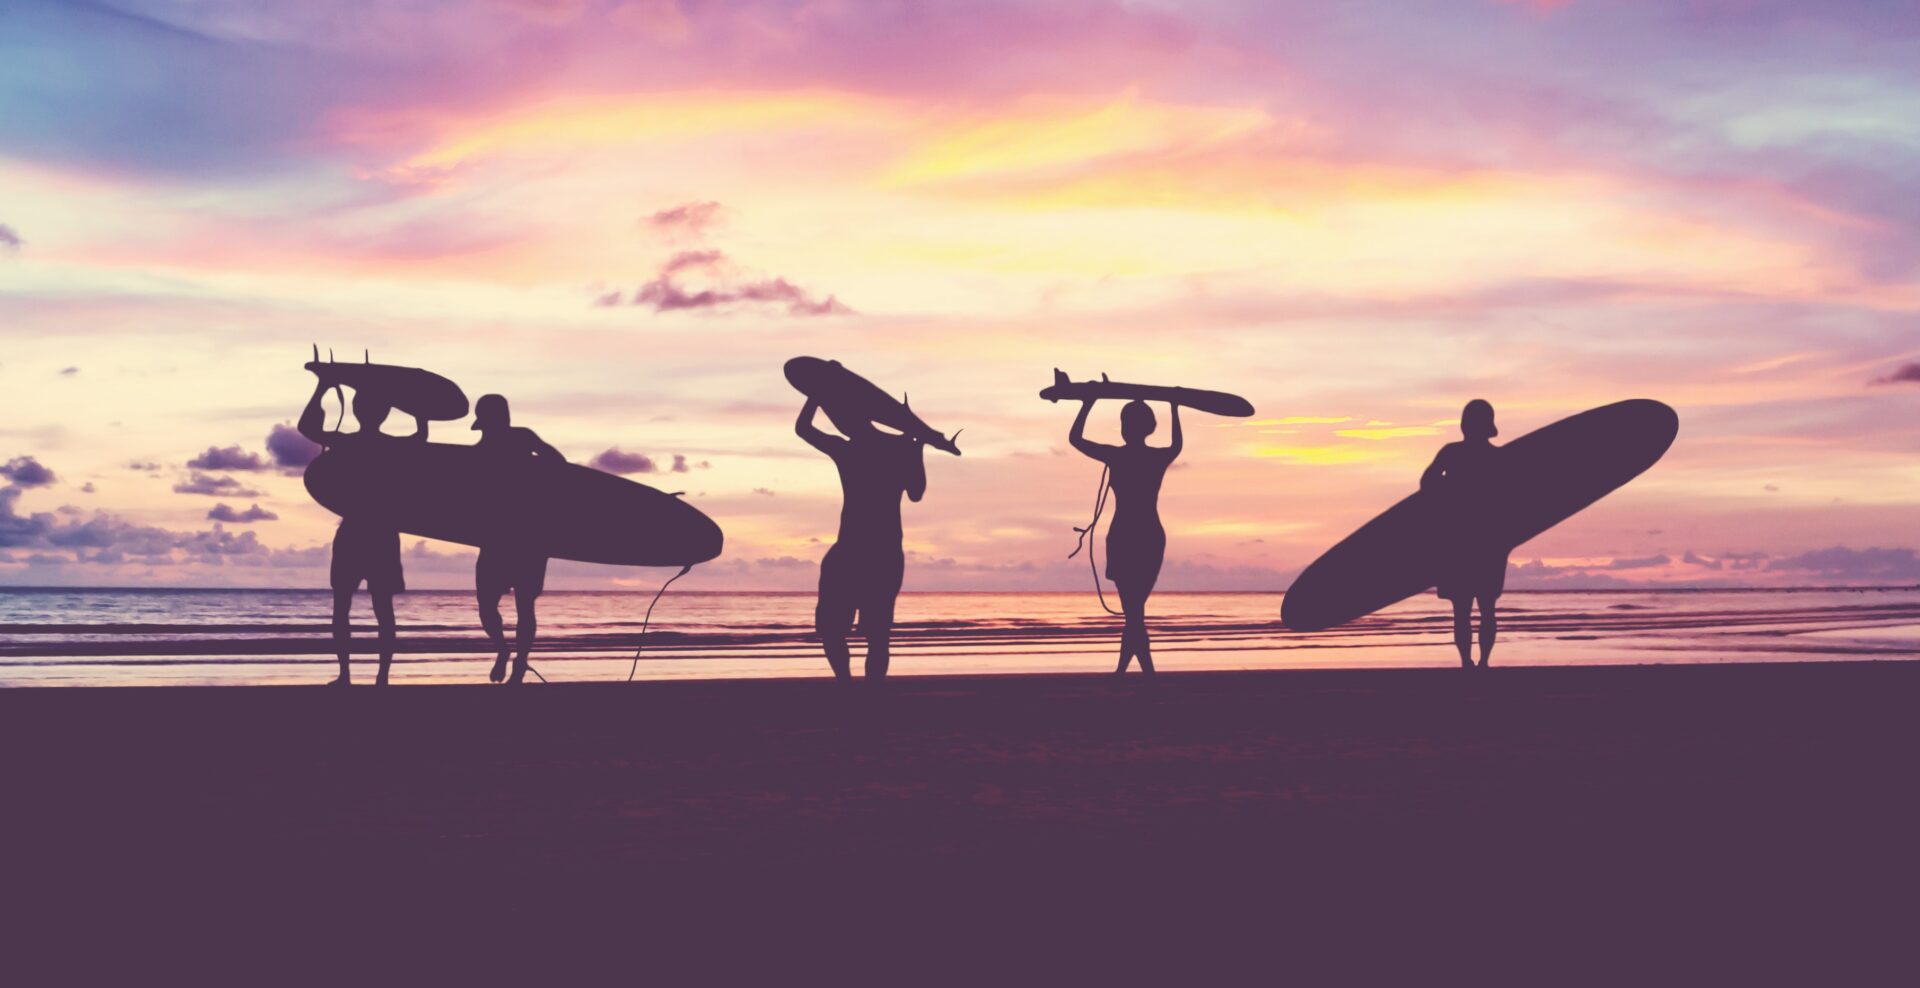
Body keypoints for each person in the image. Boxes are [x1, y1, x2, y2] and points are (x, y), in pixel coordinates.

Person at [298, 377, 427, 686]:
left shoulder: (347, 442)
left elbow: (308, 427)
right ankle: (381, 678)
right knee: (382, 610)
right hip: (382, 534)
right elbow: (421, 434)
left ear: (356, 411)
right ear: (384, 414)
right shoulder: (393, 446)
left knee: (342, 608)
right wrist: (415, 403)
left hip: (355, 532)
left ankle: (347, 675)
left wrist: (323, 387)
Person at [796, 396, 926, 680]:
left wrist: (816, 396)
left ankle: (849, 686)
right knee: (871, 634)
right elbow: (916, 492)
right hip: (879, 553)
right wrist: (916, 447)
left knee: (854, 633)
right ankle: (859, 689)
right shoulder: (896, 449)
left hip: (861, 552)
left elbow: (803, 428)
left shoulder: (848, 449)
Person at [1069, 398, 1181, 675]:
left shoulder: (1117, 456)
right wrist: (1174, 406)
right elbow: (1177, 445)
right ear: (1151, 427)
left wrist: (1088, 403)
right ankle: (1133, 672)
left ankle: (1136, 673)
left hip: (1126, 534)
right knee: (1134, 611)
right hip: (1147, 535)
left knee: (1133, 611)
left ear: (1125, 428)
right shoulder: (1156, 457)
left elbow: (1075, 438)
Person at [469, 394, 565, 685]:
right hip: (495, 538)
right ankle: (502, 649)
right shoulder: (475, 455)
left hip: (529, 536)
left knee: (525, 606)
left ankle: (520, 665)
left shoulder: (524, 438)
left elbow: (559, 464)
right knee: (486, 605)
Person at [1421, 399, 1507, 669]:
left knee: (1462, 611)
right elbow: (1510, 500)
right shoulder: (1498, 458)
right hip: (1488, 543)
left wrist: (1449, 490)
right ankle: (1482, 663)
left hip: (1458, 541)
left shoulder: (1452, 453)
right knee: (1486, 610)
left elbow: (1427, 483)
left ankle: (1468, 663)